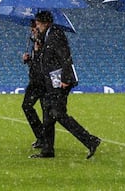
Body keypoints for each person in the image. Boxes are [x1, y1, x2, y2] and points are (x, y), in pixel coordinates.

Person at [29, 11, 101, 159]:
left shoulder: (56, 35)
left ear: (45, 23)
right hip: (51, 84)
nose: (36, 26)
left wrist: (66, 79)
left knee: (58, 114)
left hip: (60, 83)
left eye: (38, 23)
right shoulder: (46, 36)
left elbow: (65, 57)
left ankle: (90, 140)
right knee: (48, 116)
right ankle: (48, 151)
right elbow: (45, 58)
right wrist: (36, 45)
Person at [22, 20, 45, 149]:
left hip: (41, 81)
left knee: (46, 111)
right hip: (35, 81)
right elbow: (36, 65)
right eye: (32, 28)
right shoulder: (34, 44)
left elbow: (43, 64)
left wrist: (35, 55)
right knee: (27, 106)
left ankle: (43, 138)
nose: (33, 30)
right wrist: (29, 59)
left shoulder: (43, 43)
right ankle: (42, 137)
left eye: (35, 27)